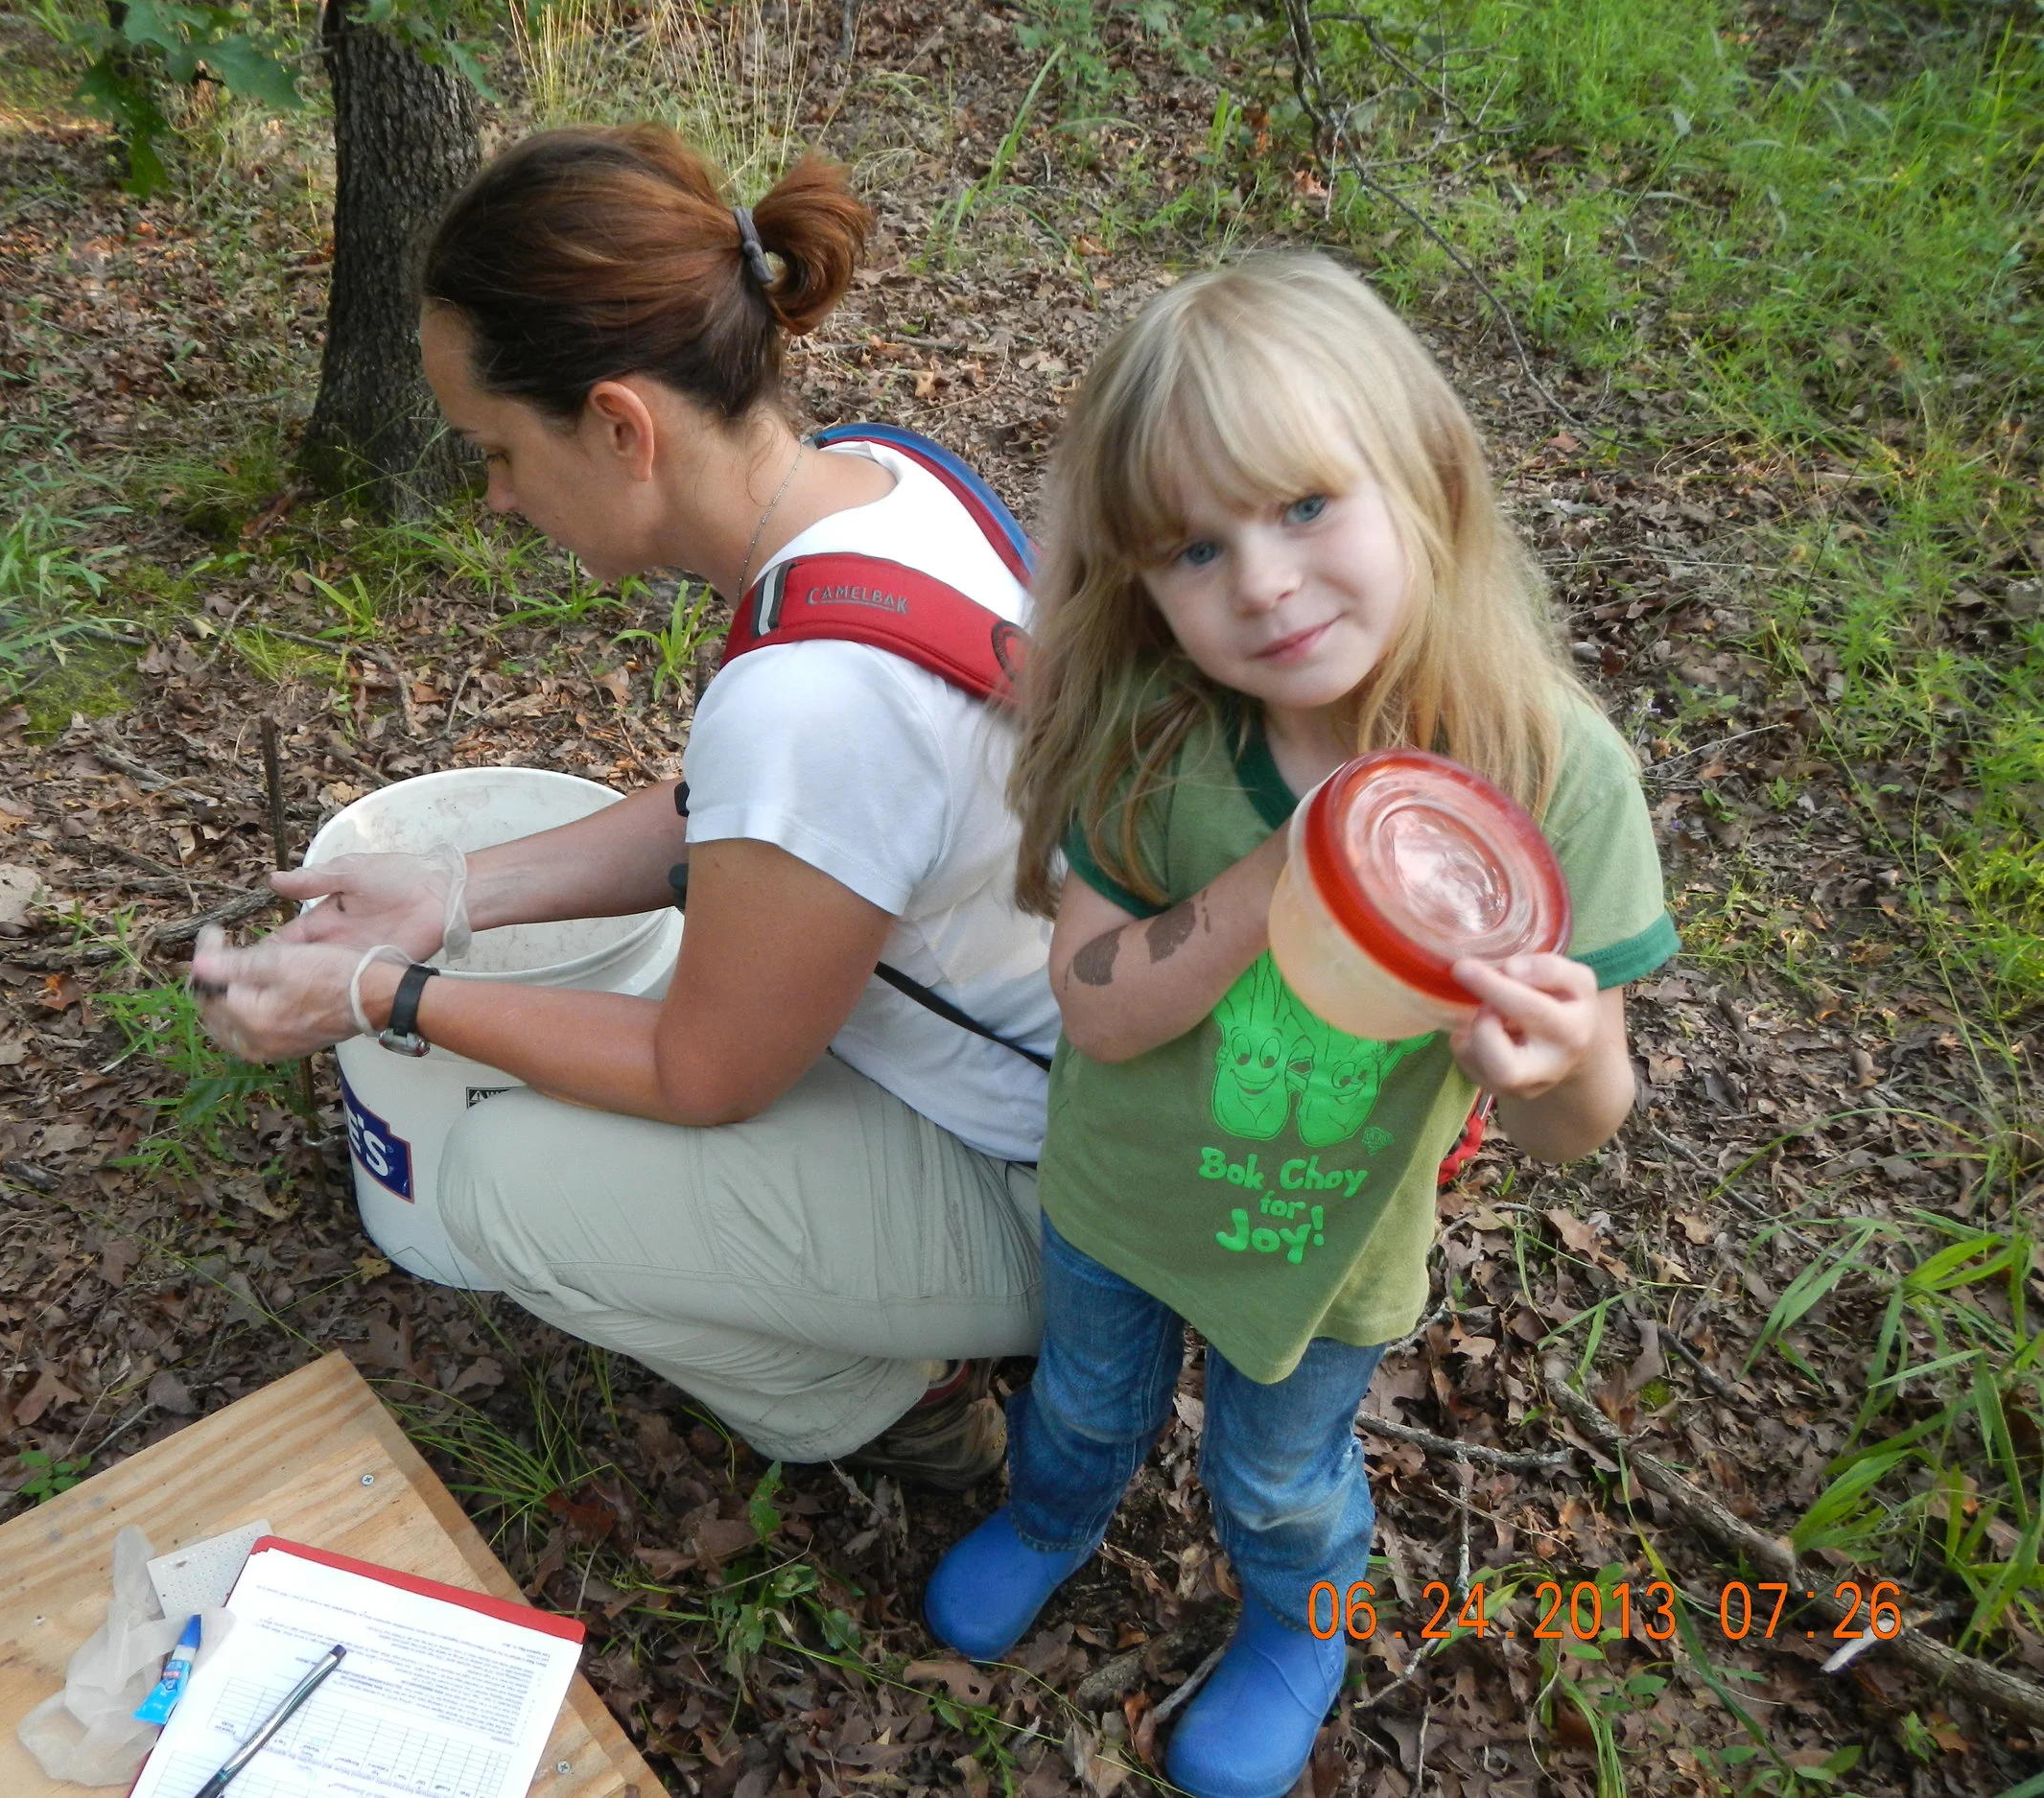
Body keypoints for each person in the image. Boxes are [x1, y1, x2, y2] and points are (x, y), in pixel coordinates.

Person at [188, 126, 1057, 1489]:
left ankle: (910, 1401)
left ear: (618, 426)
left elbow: (702, 1075)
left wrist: (382, 995)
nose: (495, 496)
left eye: (498, 449)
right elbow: (745, 818)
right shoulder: (886, 483)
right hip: (1075, 1094)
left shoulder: (810, 697)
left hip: (1058, 1203)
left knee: (499, 1179)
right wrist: (448, 895)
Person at [920, 254, 1679, 1798]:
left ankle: (1296, 1623)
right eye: (1197, 547)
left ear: (1429, 480)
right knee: (1081, 1401)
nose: (1262, 582)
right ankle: (1054, 1516)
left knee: (1277, 1474)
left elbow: (1571, 1122)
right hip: (1123, 1197)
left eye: (1309, 505)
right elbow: (1096, 1009)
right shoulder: (1155, 735)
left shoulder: (1545, 773)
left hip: (1324, 1250)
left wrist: (1556, 1059)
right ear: (1142, 581)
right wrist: (1277, 874)